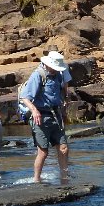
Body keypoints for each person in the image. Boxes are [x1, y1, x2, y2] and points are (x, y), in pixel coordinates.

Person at [20, 51, 71, 183]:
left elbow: (61, 93)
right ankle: (37, 179)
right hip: (40, 117)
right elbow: (25, 97)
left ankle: (64, 177)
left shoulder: (58, 75)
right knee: (43, 152)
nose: (56, 69)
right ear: (48, 64)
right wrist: (34, 110)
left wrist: (64, 110)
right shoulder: (38, 75)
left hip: (56, 115)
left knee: (64, 148)